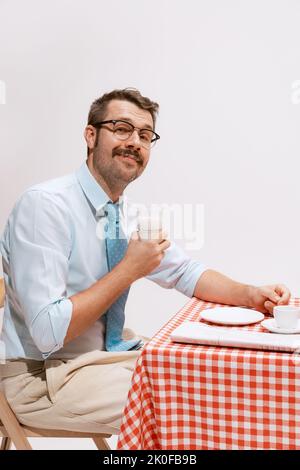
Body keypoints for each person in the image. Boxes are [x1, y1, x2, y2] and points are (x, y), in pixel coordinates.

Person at [0, 88, 290, 436]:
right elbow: (48, 334)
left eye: (145, 135)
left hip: (102, 361)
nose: (135, 141)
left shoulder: (125, 214)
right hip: (40, 378)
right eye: (121, 128)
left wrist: (251, 294)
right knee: (200, 399)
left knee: (214, 371)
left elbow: (184, 271)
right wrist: (128, 270)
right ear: (91, 136)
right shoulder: (45, 206)